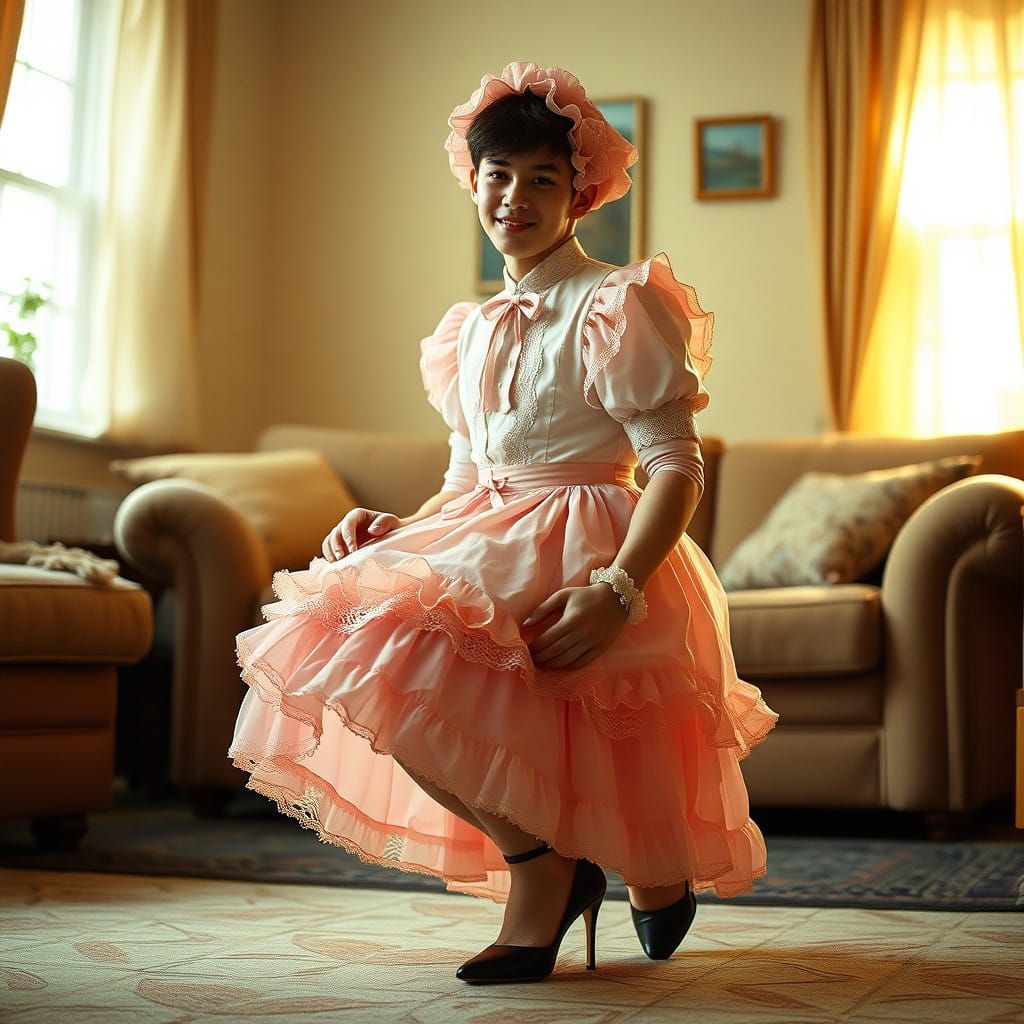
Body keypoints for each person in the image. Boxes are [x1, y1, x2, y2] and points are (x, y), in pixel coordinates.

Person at [228, 60, 779, 986]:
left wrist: (617, 589)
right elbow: (468, 473)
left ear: (580, 196)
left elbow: (675, 467)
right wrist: (397, 525)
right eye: (498, 176)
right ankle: (547, 870)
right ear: (473, 182)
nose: (514, 197)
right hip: (491, 523)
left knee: (594, 726)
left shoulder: (616, 301)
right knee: (352, 641)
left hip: (594, 534)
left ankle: (645, 871)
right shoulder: (469, 329)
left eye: (542, 179)